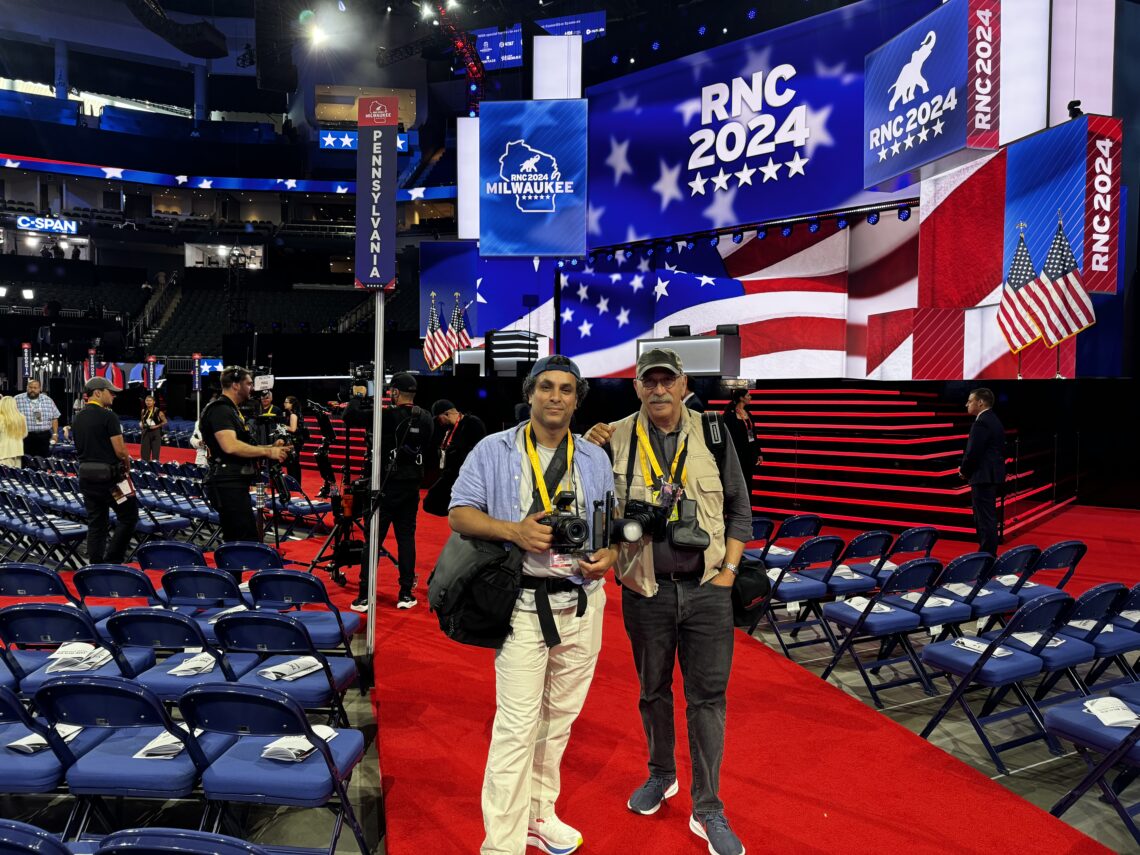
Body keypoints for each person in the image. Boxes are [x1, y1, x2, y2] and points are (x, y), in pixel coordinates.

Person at [448, 354, 618, 855]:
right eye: (547, 387)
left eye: (567, 389)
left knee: (559, 720)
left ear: (577, 400)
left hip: (584, 602)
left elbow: (606, 529)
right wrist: (514, 531)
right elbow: (459, 513)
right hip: (523, 604)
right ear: (530, 393)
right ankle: (501, 843)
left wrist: (607, 554)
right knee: (517, 726)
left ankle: (540, 815)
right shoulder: (495, 449)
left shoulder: (594, 458)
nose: (556, 397)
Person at [584, 348, 752, 855]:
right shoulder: (610, 439)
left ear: (682, 386)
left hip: (707, 593)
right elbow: (591, 513)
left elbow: (740, 512)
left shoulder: (716, 435)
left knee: (707, 700)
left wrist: (729, 573)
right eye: (648, 381)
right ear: (637, 387)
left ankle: (709, 807)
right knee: (652, 690)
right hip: (646, 592)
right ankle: (661, 774)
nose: (658, 389)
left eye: (667, 380)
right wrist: (586, 448)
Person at [352, 372, 432, 612]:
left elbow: (350, 416)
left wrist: (358, 395)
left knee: (373, 540)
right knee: (406, 538)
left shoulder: (387, 416)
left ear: (395, 392)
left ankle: (365, 596)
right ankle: (406, 593)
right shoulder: (426, 417)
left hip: (385, 486)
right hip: (412, 485)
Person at [199, 366, 290, 551]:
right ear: (235, 385)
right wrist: (267, 452)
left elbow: (239, 444)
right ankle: (233, 579)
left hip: (233, 482)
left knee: (242, 540)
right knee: (242, 542)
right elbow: (230, 446)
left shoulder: (230, 410)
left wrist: (270, 448)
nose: (252, 388)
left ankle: (235, 579)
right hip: (226, 483)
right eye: (248, 383)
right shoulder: (221, 410)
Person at [73, 377, 138, 564]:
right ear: (98, 393)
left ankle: (95, 563)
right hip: (112, 480)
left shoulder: (77, 418)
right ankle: (113, 559)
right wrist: (127, 463)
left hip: (87, 478)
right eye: (110, 392)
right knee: (128, 516)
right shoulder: (109, 416)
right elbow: (119, 450)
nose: (114, 395)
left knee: (96, 523)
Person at [960, 387, 1005, 555]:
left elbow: (973, 452)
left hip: (983, 477)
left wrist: (964, 471)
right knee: (987, 518)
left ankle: (986, 556)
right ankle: (987, 554)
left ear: (980, 402)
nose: (967, 404)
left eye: (970, 401)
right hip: (990, 475)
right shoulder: (993, 419)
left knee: (984, 519)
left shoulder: (982, 422)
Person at [422, 399, 486, 516]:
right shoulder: (450, 429)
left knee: (432, 503)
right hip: (450, 474)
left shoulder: (472, 423)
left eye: (439, 418)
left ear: (447, 414)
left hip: (466, 475)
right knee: (429, 503)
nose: (438, 422)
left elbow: (480, 450)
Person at [722, 388, 762, 487]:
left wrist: (758, 452)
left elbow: (754, 434)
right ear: (741, 398)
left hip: (749, 454)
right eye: (748, 395)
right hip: (736, 454)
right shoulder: (729, 416)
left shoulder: (749, 414)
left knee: (748, 481)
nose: (750, 397)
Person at [15, 379, 60, 458]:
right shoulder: (17, 399)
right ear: (26, 387)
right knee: (26, 462)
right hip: (25, 437)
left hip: (44, 437)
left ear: (39, 389)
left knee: (43, 462)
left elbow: (55, 417)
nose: (32, 390)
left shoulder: (48, 400)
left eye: (35, 388)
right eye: (30, 387)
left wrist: (55, 433)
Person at [282, 395, 306, 483]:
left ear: (291, 404)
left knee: (292, 463)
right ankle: (295, 482)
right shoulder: (296, 414)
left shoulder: (293, 415)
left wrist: (283, 426)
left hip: (294, 442)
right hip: (297, 441)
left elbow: (293, 429)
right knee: (294, 463)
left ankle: (293, 482)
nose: (284, 404)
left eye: (286, 402)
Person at [0, 395, 28, 467]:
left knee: (5, 477)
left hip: (3, 453)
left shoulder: (1, 418)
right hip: (17, 452)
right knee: (16, 477)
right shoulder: (21, 417)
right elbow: (25, 434)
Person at [138, 394, 167, 462]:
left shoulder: (158, 411)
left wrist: (156, 426)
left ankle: (155, 469)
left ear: (154, 402)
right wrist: (141, 424)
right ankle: (145, 468)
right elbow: (142, 420)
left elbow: (165, 421)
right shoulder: (143, 411)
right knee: (144, 454)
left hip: (155, 433)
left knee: (155, 454)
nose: (148, 402)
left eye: (150, 400)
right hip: (145, 432)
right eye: (147, 400)